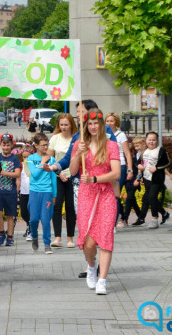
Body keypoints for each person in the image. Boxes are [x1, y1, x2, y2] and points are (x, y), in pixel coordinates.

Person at [69, 108, 121, 295]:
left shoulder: (111, 145)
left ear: (101, 125)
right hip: (86, 196)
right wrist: (77, 154)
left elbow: (116, 173)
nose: (92, 127)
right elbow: (73, 171)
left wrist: (96, 179)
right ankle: (91, 266)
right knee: (89, 243)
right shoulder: (79, 144)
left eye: (96, 123)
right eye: (89, 124)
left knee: (106, 238)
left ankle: (102, 280)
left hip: (105, 194)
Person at [48, 113, 78, 248]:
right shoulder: (55, 138)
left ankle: (70, 238)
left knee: (71, 207)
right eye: (61, 125)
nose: (64, 127)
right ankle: (58, 237)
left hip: (73, 176)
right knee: (57, 206)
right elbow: (49, 159)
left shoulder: (76, 138)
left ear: (71, 124)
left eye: (66, 124)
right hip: (58, 176)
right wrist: (58, 173)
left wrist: (71, 174)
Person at [131, 132, 170, 229]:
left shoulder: (161, 151)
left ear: (157, 141)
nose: (151, 142)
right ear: (146, 140)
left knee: (152, 197)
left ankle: (154, 219)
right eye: (149, 139)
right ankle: (164, 214)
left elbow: (167, 162)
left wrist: (156, 168)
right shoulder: (144, 151)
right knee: (150, 198)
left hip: (157, 178)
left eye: (154, 140)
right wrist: (138, 166)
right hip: (147, 178)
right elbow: (138, 162)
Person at [27, 133, 57, 254]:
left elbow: (53, 178)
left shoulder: (52, 159)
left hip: (47, 192)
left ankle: (47, 243)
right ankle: (34, 236)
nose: (46, 147)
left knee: (45, 219)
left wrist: (54, 195)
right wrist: (42, 162)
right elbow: (34, 174)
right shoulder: (31, 158)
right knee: (33, 219)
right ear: (36, 145)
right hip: (34, 191)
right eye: (43, 145)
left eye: (47, 144)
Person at [105, 113, 134, 226]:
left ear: (116, 122)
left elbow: (127, 153)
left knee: (114, 195)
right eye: (107, 121)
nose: (109, 123)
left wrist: (130, 169)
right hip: (107, 167)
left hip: (119, 166)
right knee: (107, 195)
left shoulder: (121, 135)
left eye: (112, 121)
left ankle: (113, 223)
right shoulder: (103, 135)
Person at [0, 133, 22, 247]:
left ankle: (10, 237)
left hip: (10, 191)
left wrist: (4, 173)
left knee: (10, 215)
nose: (6, 147)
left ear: (12, 145)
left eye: (8, 145)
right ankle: (1, 233)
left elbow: (17, 173)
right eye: (4, 145)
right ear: (0, 145)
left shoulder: (14, 158)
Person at [121, 137, 145, 227]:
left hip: (134, 178)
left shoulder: (136, 156)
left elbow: (139, 168)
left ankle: (125, 218)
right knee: (132, 199)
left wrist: (138, 179)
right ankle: (140, 216)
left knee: (129, 198)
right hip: (128, 179)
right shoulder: (122, 158)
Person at [17, 144, 34, 241]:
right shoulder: (21, 165)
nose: (26, 158)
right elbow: (19, 179)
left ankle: (31, 230)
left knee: (32, 212)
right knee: (24, 212)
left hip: (33, 192)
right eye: (24, 157)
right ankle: (29, 226)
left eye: (28, 156)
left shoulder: (34, 165)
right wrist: (17, 190)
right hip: (24, 192)